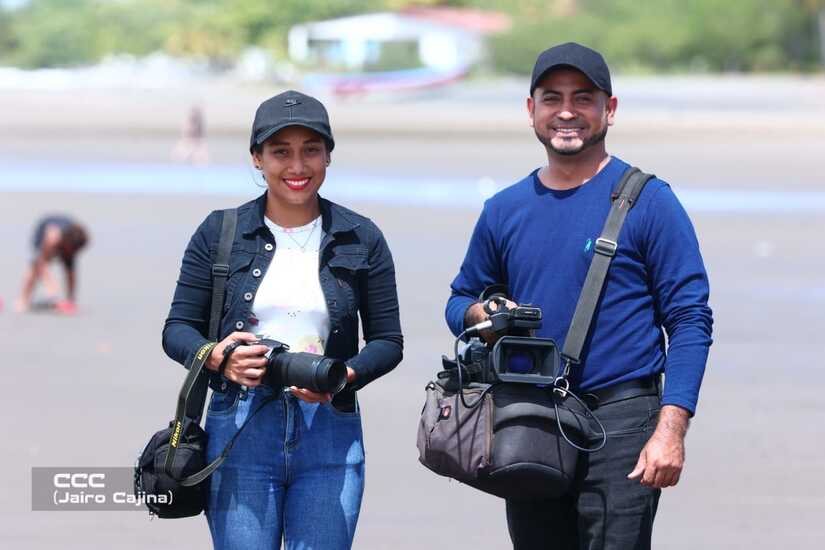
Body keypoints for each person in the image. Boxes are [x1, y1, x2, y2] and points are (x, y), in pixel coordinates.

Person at [445, 42, 713, 549]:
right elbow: (459, 301)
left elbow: (690, 320)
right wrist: (485, 311)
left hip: (622, 423)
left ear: (609, 109)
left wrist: (671, 428)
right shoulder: (504, 209)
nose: (566, 111)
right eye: (552, 98)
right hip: (529, 419)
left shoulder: (651, 202)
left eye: (583, 98)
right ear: (531, 111)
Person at [162, 90, 403, 549]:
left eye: (311, 149)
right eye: (280, 152)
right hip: (238, 424)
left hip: (329, 429)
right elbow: (176, 331)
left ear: (328, 155)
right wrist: (217, 358)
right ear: (257, 158)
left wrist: (344, 376)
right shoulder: (218, 233)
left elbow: (388, 341)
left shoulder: (362, 236)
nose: (297, 166)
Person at [15, 215, 88, 314]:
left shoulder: (75, 242)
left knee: (70, 266)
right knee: (36, 266)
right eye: (71, 250)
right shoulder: (52, 238)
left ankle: (70, 301)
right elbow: (41, 263)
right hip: (44, 230)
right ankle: (23, 299)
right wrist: (50, 285)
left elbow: (71, 272)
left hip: (68, 236)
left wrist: (70, 302)